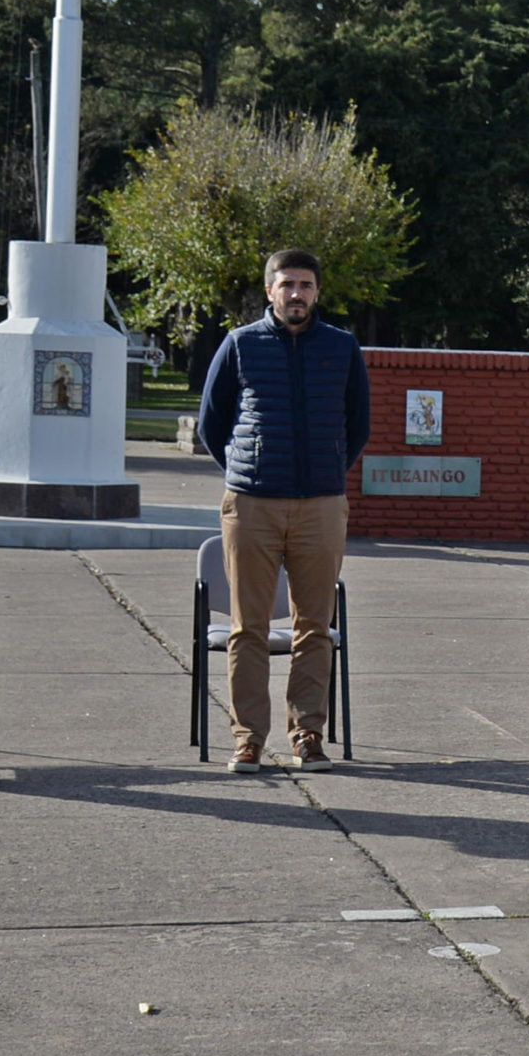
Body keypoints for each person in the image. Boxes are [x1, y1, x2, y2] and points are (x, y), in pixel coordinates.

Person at [197, 249, 374, 771]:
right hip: (252, 505)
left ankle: (308, 735)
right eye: (286, 284)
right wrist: (246, 470)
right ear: (269, 291)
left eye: (305, 285)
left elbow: (357, 424)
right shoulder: (240, 344)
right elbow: (213, 423)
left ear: (317, 292)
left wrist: (329, 468)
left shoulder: (341, 347)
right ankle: (248, 738)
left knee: (314, 627)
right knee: (247, 627)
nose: (296, 294)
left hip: (320, 505)